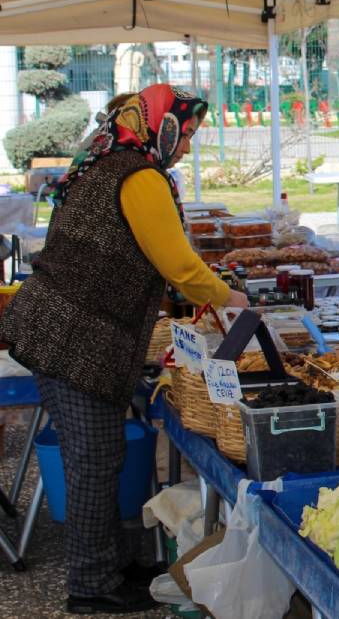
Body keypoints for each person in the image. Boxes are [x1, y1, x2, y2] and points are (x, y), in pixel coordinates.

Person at [0, 84, 249, 614]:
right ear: (163, 125)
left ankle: (112, 562)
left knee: (100, 455)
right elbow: (178, 266)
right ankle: (91, 585)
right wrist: (227, 296)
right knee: (93, 460)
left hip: (66, 330)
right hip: (72, 337)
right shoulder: (137, 174)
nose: (185, 148)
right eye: (185, 135)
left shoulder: (110, 157)